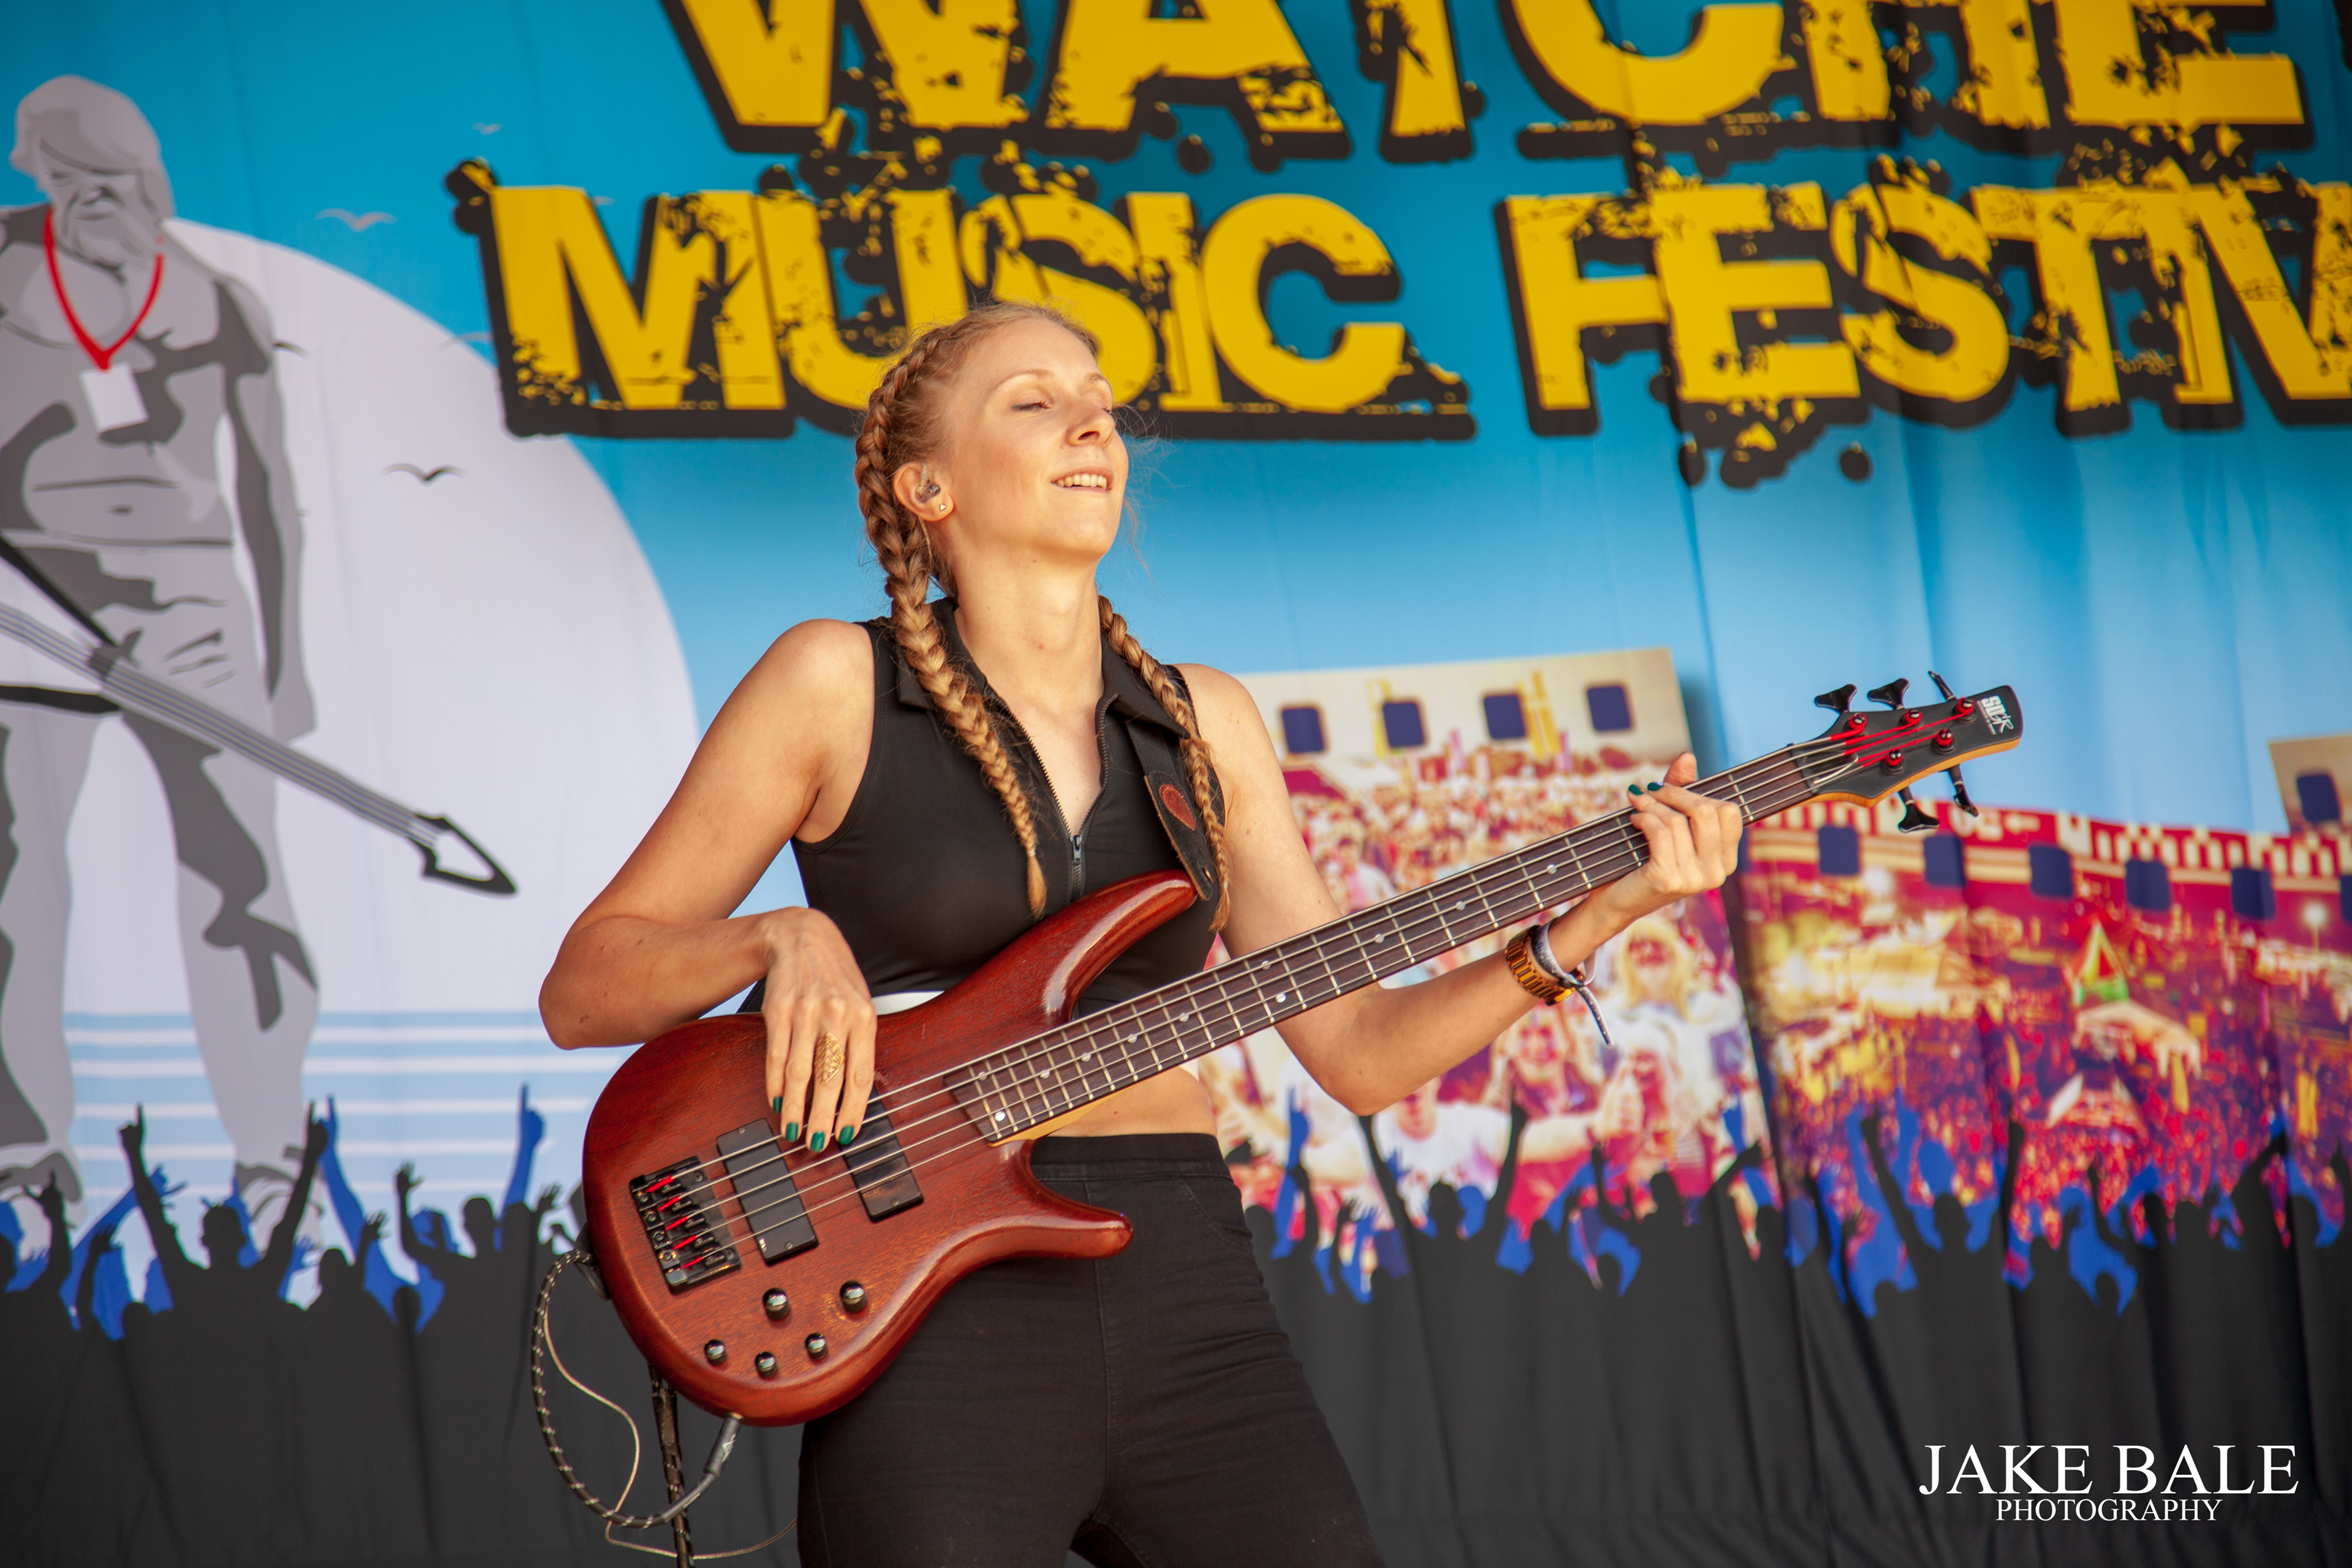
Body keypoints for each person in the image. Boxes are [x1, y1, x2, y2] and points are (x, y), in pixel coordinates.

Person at [538, 300, 1744, 1566]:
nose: (1093, 424)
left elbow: (1359, 1051)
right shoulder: (833, 681)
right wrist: (776, 941)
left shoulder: (1204, 724)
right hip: (926, 1297)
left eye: (1102, 403)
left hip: (1186, 1281)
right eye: (1036, 401)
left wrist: (1595, 920)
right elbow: (586, 985)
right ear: (929, 486)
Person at [0, 76, 315, 1235]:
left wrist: (289, 661)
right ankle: (23, 1156)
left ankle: (276, 1157)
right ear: (36, 171)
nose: (94, 199)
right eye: (68, 176)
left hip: (190, 605)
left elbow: (269, 490)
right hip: (29, 597)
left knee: (240, 873)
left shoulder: (215, 301)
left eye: (115, 178)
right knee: (15, 873)